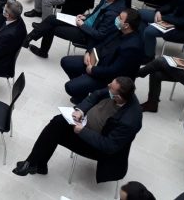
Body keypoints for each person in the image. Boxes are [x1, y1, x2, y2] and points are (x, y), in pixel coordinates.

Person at [13, 77, 142, 184]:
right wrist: (80, 110)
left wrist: (82, 131)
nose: (108, 85)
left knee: (54, 132)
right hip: (83, 124)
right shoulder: (118, 90)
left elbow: (108, 145)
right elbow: (95, 95)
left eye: (111, 87)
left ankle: (35, 164)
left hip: (96, 145)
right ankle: (34, 163)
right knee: (57, 121)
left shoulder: (130, 121)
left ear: (118, 97)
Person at [60, 9, 143, 104]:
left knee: (70, 87)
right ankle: (82, 93)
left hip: (108, 78)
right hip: (98, 62)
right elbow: (102, 42)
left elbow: (114, 71)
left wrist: (93, 70)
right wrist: (89, 52)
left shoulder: (132, 47)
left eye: (120, 18)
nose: (116, 18)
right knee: (66, 62)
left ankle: (94, 95)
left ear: (126, 25)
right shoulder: (119, 30)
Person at [24, 0, 125, 59]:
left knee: (50, 27)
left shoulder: (113, 14)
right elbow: (96, 14)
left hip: (86, 34)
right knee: (51, 18)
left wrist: (82, 25)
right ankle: (27, 39)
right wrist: (86, 16)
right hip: (83, 22)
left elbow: (99, 35)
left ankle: (40, 51)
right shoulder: (106, 0)